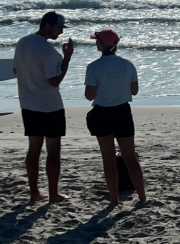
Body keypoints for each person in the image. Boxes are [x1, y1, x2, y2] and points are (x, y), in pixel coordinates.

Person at [13, 11, 73, 204]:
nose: (61, 32)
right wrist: (67, 58)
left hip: (28, 103)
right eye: (59, 28)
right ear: (48, 26)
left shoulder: (22, 42)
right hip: (49, 106)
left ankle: (34, 193)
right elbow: (54, 81)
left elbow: (15, 69)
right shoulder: (48, 52)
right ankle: (53, 194)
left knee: (34, 149)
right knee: (53, 151)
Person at [84, 29, 146, 206]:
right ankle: (142, 196)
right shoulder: (128, 65)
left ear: (102, 45)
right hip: (122, 112)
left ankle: (114, 199)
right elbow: (134, 91)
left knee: (109, 158)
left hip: (102, 113)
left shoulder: (93, 67)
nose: (96, 43)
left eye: (97, 41)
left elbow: (89, 96)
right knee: (130, 157)